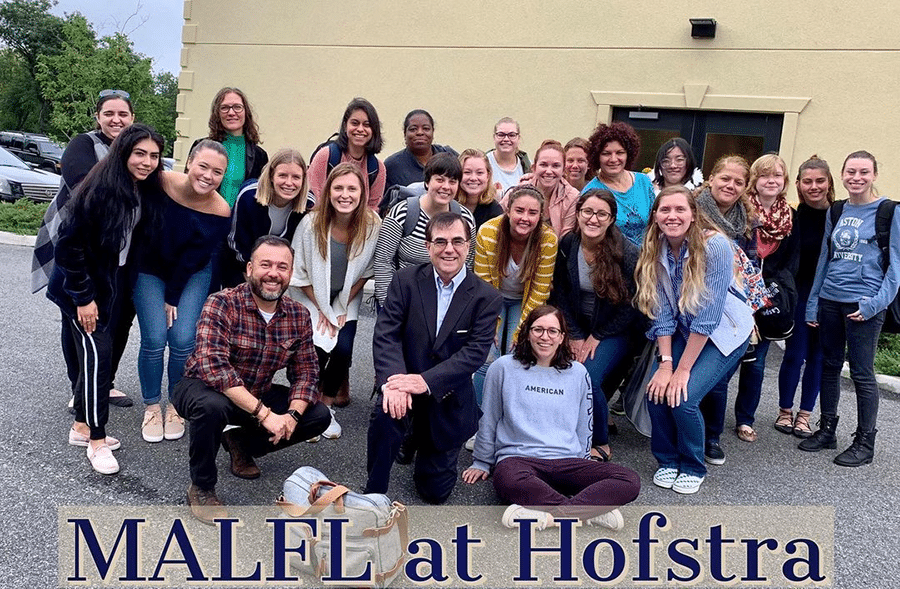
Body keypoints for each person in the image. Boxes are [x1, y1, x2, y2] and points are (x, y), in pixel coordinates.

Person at [171, 236, 331, 523]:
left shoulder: (298, 315)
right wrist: (265, 414)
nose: (273, 273)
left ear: (290, 274)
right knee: (211, 407)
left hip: (257, 391)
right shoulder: (221, 303)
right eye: (265, 264)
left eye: (282, 267)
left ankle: (240, 442)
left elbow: (306, 371)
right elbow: (214, 366)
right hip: (202, 387)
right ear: (249, 269)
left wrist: (292, 415)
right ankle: (202, 486)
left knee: (318, 414)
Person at [46, 124, 166, 475]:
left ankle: (82, 428)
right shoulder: (98, 188)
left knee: (97, 357)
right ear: (123, 153)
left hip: (111, 284)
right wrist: (84, 299)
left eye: (154, 156)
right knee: (99, 360)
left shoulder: (141, 188)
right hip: (81, 288)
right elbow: (68, 247)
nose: (147, 161)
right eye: (139, 153)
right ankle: (97, 440)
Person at [364, 212, 502, 504]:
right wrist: (394, 382)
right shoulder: (405, 281)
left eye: (456, 241)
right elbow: (387, 334)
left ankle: (417, 438)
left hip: (447, 395)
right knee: (386, 413)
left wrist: (423, 381)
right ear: (428, 246)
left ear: (468, 246)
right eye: (440, 241)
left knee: (435, 494)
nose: (448, 249)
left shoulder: (486, 297)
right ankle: (374, 491)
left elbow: (474, 353)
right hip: (403, 384)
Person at [462, 305, 640, 531]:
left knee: (629, 480)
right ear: (527, 333)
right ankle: (589, 513)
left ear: (562, 337)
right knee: (507, 480)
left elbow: (584, 424)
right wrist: (481, 461)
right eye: (538, 329)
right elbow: (489, 417)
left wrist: (584, 460)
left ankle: (548, 517)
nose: (545, 337)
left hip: (567, 460)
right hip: (519, 460)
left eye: (552, 331)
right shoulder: (503, 367)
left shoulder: (577, 372)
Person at [634, 186, 753, 494]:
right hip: (684, 330)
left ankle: (692, 465)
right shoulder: (654, 247)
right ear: (656, 215)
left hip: (723, 333)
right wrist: (665, 364)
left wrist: (682, 370)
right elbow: (660, 312)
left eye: (679, 210)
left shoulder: (715, 247)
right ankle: (668, 460)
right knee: (657, 390)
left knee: (683, 397)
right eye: (665, 210)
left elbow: (708, 318)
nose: (672, 216)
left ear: (693, 214)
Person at [33, 90, 137, 410]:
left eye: (122, 114)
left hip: (122, 250)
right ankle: (78, 386)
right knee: (77, 316)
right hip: (80, 245)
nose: (116, 120)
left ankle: (103, 383)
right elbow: (83, 185)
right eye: (109, 114)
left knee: (117, 318)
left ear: (132, 118)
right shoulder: (83, 144)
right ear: (98, 117)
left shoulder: (137, 148)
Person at [800, 151, 900, 467]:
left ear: (874, 175)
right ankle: (827, 429)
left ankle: (864, 443)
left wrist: (874, 305)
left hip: (864, 305)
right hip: (831, 300)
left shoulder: (890, 212)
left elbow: (896, 267)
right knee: (828, 365)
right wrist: (814, 302)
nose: (856, 178)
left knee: (861, 373)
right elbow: (824, 260)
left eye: (864, 172)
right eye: (851, 172)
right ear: (842, 175)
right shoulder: (837, 210)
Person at [133, 140, 232, 444]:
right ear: (189, 162)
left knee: (182, 338)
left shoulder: (220, 209)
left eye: (217, 172)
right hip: (149, 266)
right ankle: (152, 405)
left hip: (191, 273)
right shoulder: (161, 181)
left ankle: (176, 404)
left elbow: (194, 256)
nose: (208, 175)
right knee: (154, 338)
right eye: (203, 166)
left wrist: (172, 297)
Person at [549, 190, 642, 460]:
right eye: (587, 212)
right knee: (564, 368)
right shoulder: (568, 244)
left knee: (587, 376)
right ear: (578, 213)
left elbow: (632, 305)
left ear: (612, 219)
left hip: (616, 330)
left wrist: (597, 336)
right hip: (578, 326)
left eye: (602, 214)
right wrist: (575, 334)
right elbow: (562, 294)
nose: (593, 219)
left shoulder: (626, 252)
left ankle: (599, 440)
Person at [289, 163, 381, 435]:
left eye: (352, 188)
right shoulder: (311, 223)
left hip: (347, 295)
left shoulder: (372, 224)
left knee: (342, 349)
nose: (345, 195)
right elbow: (298, 272)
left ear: (362, 193)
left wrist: (340, 306)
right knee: (315, 347)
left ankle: (326, 408)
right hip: (310, 295)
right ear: (328, 192)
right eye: (338, 188)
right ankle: (307, 404)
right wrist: (323, 309)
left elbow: (366, 272)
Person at [730, 154, 799, 444]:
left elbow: (791, 262)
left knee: (756, 365)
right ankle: (709, 419)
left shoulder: (790, 217)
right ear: (754, 181)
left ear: (784, 182)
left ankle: (745, 419)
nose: (771, 181)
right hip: (738, 295)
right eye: (765, 175)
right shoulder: (741, 212)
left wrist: (774, 291)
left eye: (778, 176)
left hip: (769, 299)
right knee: (726, 362)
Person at [472, 185, 558, 409]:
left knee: (516, 354)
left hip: (525, 301)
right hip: (493, 300)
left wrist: (520, 331)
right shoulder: (488, 232)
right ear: (508, 210)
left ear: (541, 216)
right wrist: (490, 324)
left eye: (532, 213)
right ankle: (480, 420)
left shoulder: (548, 240)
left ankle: (510, 417)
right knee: (486, 356)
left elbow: (539, 292)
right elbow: (483, 285)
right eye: (519, 210)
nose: (525, 218)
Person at [693, 155, 753, 464]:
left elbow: (751, 270)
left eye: (738, 182)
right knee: (688, 375)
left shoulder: (745, 221)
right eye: (725, 178)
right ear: (711, 178)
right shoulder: (691, 209)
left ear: (745, 187)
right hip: (694, 304)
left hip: (730, 312)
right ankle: (688, 431)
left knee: (717, 379)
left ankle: (711, 436)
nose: (730, 185)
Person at [776, 155, 834, 437]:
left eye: (820, 181)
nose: (814, 186)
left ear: (829, 183)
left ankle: (805, 416)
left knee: (818, 357)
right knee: (795, 354)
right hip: (798, 295)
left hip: (829, 297)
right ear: (798, 185)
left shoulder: (840, 215)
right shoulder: (793, 217)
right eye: (807, 181)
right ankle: (785, 411)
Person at [373, 153, 476, 307]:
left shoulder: (465, 219)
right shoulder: (402, 213)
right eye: (439, 180)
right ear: (427, 182)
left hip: (445, 304)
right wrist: (389, 306)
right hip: (403, 301)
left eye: (452, 181)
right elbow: (383, 262)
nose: (446, 187)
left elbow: (467, 264)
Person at [224, 148, 313, 287]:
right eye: (282, 175)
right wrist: (253, 279)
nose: (289, 183)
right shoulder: (249, 196)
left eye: (296, 177)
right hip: (242, 273)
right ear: (271, 176)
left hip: (282, 279)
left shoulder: (309, 204)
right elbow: (236, 243)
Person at [187, 87, 268, 207]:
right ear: (217, 113)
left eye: (237, 107)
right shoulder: (201, 147)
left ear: (246, 112)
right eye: (224, 108)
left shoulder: (259, 156)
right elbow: (187, 184)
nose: (231, 113)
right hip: (203, 218)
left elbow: (262, 196)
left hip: (240, 223)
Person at [582, 122, 655, 246]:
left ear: (628, 154)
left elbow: (654, 223)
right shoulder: (590, 192)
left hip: (646, 260)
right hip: (611, 260)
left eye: (620, 153)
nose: (613, 159)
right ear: (597, 156)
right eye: (606, 153)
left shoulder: (644, 182)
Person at [308, 97, 386, 210]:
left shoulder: (377, 169)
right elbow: (315, 199)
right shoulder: (326, 156)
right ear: (345, 126)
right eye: (355, 123)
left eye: (367, 125)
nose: (360, 129)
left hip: (358, 226)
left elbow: (371, 211)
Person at [506, 140, 579, 237]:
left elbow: (565, 237)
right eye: (543, 165)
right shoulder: (518, 191)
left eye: (556, 166)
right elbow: (498, 221)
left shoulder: (572, 197)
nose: (549, 171)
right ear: (534, 168)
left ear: (563, 170)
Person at [384, 109, 458, 188]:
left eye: (426, 129)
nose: (420, 132)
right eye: (413, 129)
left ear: (433, 132)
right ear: (405, 133)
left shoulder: (449, 155)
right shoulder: (392, 165)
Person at [456, 148, 503, 230]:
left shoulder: (495, 211)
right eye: (467, 172)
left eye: (479, 173)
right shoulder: (448, 206)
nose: (473, 178)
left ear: (488, 176)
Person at [486, 117, 531, 194]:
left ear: (518, 138)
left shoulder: (528, 166)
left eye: (512, 135)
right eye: (501, 135)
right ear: (494, 137)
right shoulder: (484, 163)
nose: (506, 139)